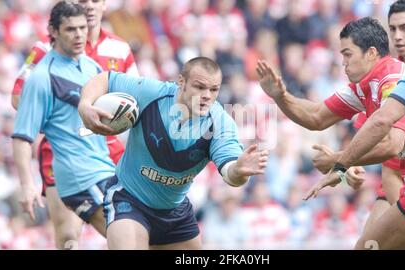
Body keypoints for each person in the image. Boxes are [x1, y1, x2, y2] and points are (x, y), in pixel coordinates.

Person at [78, 56, 269, 250]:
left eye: (214, 90)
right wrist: (85, 104)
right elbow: (105, 79)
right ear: (181, 82)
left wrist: (240, 170)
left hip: (175, 213)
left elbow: (230, 173)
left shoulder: (220, 123)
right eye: (200, 87)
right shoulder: (152, 94)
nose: (207, 96)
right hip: (130, 199)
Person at [256, 17, 405, 246]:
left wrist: (339, 161)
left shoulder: (393, 79)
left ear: (371, 53)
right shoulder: (363, 86)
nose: (343, 62)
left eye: (348, 54)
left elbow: (392, 144)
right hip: (397, 177)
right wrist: (281, 96)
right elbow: (316, 117)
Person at [10, 0, 138, 249]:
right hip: (64, 155)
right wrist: (64, 113)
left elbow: (137, 99)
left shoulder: (118, 49)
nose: (89, 6)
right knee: (69, 235)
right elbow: (19, 97)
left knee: (131, 231)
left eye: (95, 1)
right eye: (82, 1)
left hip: (110, 152)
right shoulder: (43, 53)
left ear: (104, 6)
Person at [310, 0, 405, 250]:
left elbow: (389, 142)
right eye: (393, 29)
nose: (398, 36)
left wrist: (341, 162)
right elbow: (390, 165)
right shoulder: (388, 77)